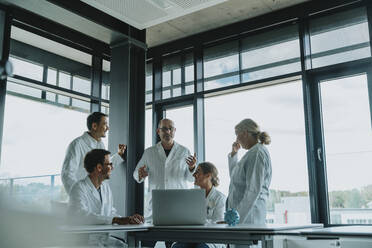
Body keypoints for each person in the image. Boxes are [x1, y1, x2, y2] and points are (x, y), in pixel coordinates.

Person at [68, 149, 144, 247]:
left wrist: (129, 220)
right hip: (86, 242)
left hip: (104, 239)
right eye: (110, 164)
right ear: (99, 167)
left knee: (125, 246)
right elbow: (82, 216)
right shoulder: (79, 188)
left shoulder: (105, 188)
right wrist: (117, 220)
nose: (112, 167)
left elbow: (110, 213)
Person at [133, 118, 197, 221]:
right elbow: (136, 174)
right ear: (158, 131)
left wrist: (192, 168)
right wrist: (140, 174)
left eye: (171, 129)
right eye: (164, 129)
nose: (168, 132)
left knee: (177, 235)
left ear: (175, 130)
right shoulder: (149, 152)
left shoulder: (184, 151)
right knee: (155, 235)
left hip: (178, 202)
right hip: (157, 203)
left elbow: (191, 179)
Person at [62, 112, 126, 195]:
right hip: (83, 195)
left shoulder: (100, 144)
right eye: (105, 124)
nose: (107, 128)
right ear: (94, 126)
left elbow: (104, 167)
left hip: (97, 193)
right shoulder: (77, 144)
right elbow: (67, 174)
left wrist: (119, 155)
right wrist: (79, 195)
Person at [227, 118, 272, 225]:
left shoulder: (256, 153)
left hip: (249, 217)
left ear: (245, 133)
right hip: (244, 216)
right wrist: (234, 154)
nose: (237, 139)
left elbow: (252, 190)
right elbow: (235, 179)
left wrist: (237, 219)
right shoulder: (252, 153)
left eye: (237, 135)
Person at [172, 162, 226, 248]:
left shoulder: (220, 198)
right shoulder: (191, 195)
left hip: (211, 238)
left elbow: (218, 224)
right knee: (177, 247)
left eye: (198, 172)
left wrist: (199, 223)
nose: (194, 175)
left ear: (208, 175)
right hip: (192, 236)